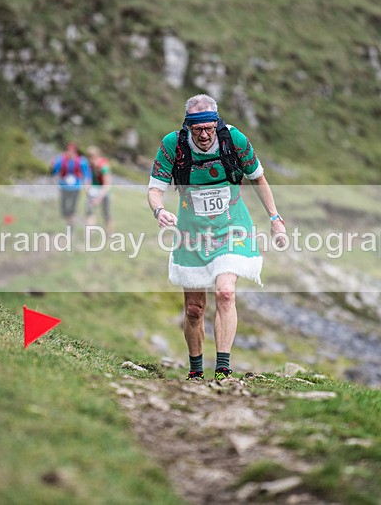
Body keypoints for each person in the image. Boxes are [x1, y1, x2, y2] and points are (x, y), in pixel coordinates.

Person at [147, 94, 286, 381]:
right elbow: (154, 189)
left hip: (232, 226)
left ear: (216, 123)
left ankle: (223, 370)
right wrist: (159, 210)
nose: (204, 135)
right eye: (198, 130)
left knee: (225, 292)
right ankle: (196, 372)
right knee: (195, 310)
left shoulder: (233, 140)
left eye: (209, 128)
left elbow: (257, 178)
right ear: (188, 127)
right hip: (192, 231)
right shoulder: (172, 145)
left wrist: (275, 219)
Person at [49, 141, 91, 234]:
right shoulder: (61, 159)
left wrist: (87, 183)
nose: (70, 153)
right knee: (63, 209)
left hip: (75, 188)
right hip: (64, 187)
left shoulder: (81, 160)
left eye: (72, 151)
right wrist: (52, 167)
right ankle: (72, 220)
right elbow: (54, 171)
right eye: (68, 150)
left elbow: (87, 173)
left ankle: (71, 228)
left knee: (72, 208)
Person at [85, 145, 113, 236]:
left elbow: (107, 184)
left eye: (92, 156)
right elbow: (89, 179)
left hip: (104, 192)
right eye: (89, 156)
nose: (90, 158)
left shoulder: (103, 166)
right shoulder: (91, 165)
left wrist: (98, 198)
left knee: (106, 214)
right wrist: (87, 186)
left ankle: (110, 234)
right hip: (93, 191)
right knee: (89, 212)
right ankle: (89, 235)